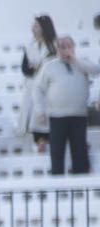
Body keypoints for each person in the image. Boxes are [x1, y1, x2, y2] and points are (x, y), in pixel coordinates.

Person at [35, 36, 98, 176]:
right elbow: (38, 89)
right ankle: (57, 186)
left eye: (69, 46)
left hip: (78, 115)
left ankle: (80, 188)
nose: (66, 50)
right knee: (57, 152)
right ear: (57, 49)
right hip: (57, 116)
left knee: (79, 152)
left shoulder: (82, 63)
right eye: (62, 46)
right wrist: (40, 111)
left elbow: (95, 70)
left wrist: (74, 60)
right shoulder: (49, 66)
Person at [17, 16, 57, 153]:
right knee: (33, 120)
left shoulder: (55, 45)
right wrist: (33, 68)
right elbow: (24, 68)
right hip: (32, 86)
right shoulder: (30, 46)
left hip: (48, 89)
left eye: (36, 26)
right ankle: (38, 144)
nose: (33, 29)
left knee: (45, 119)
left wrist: (41, 66)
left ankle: (45, 143)